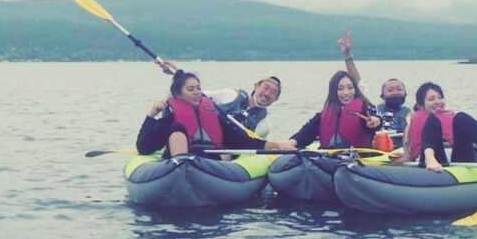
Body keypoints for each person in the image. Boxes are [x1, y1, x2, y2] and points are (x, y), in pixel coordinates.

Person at [137, 70, 282, 157]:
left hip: (210, 165)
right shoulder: (171, 118)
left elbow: (241, 142)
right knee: (177, 129)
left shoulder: (214, 117)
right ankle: (181, 163)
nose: (197, 93)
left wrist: (277, 145)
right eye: (191, 89)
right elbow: (144, 147)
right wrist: (150, 116)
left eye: (198, 88)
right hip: (182, 167)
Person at [156, 60, 282, 138]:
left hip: (227, 155)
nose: (267, 93)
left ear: (275, 99)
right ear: (256, 86)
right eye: (266, 87)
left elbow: (250, 145)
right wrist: (176, 75)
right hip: (205, 138)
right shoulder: (230, 95)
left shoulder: (264, 126)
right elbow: (191, 95)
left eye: (273, 92)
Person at [406, 82, 477, 173]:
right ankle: (430, 159)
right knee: (432, 121)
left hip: (456, 160)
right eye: (431, 99)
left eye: (440, 97)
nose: (438, 102)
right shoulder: (414, 123)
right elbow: (409, 151)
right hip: (433, 159)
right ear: (420, 105)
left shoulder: (452, 118)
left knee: (461, 116)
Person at [273, 70, 383, 151]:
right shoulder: (325, 114)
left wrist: (374, 122)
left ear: (355, 89)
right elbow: (307, 132)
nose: (346, 92)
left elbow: (376, 121)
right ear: (334, 91)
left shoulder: (365, 109)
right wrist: (291, 143)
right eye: (340, 89)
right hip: (329, 158)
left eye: (350, 88)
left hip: (357, 159)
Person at [339, 30, 409, 137]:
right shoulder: (374, 110)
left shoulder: (410, 114)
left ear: (405, 94)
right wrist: (347, 55)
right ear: (382, 96)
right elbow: (357, 84)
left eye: (399, 89)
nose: (395, 92)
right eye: (390, 90)